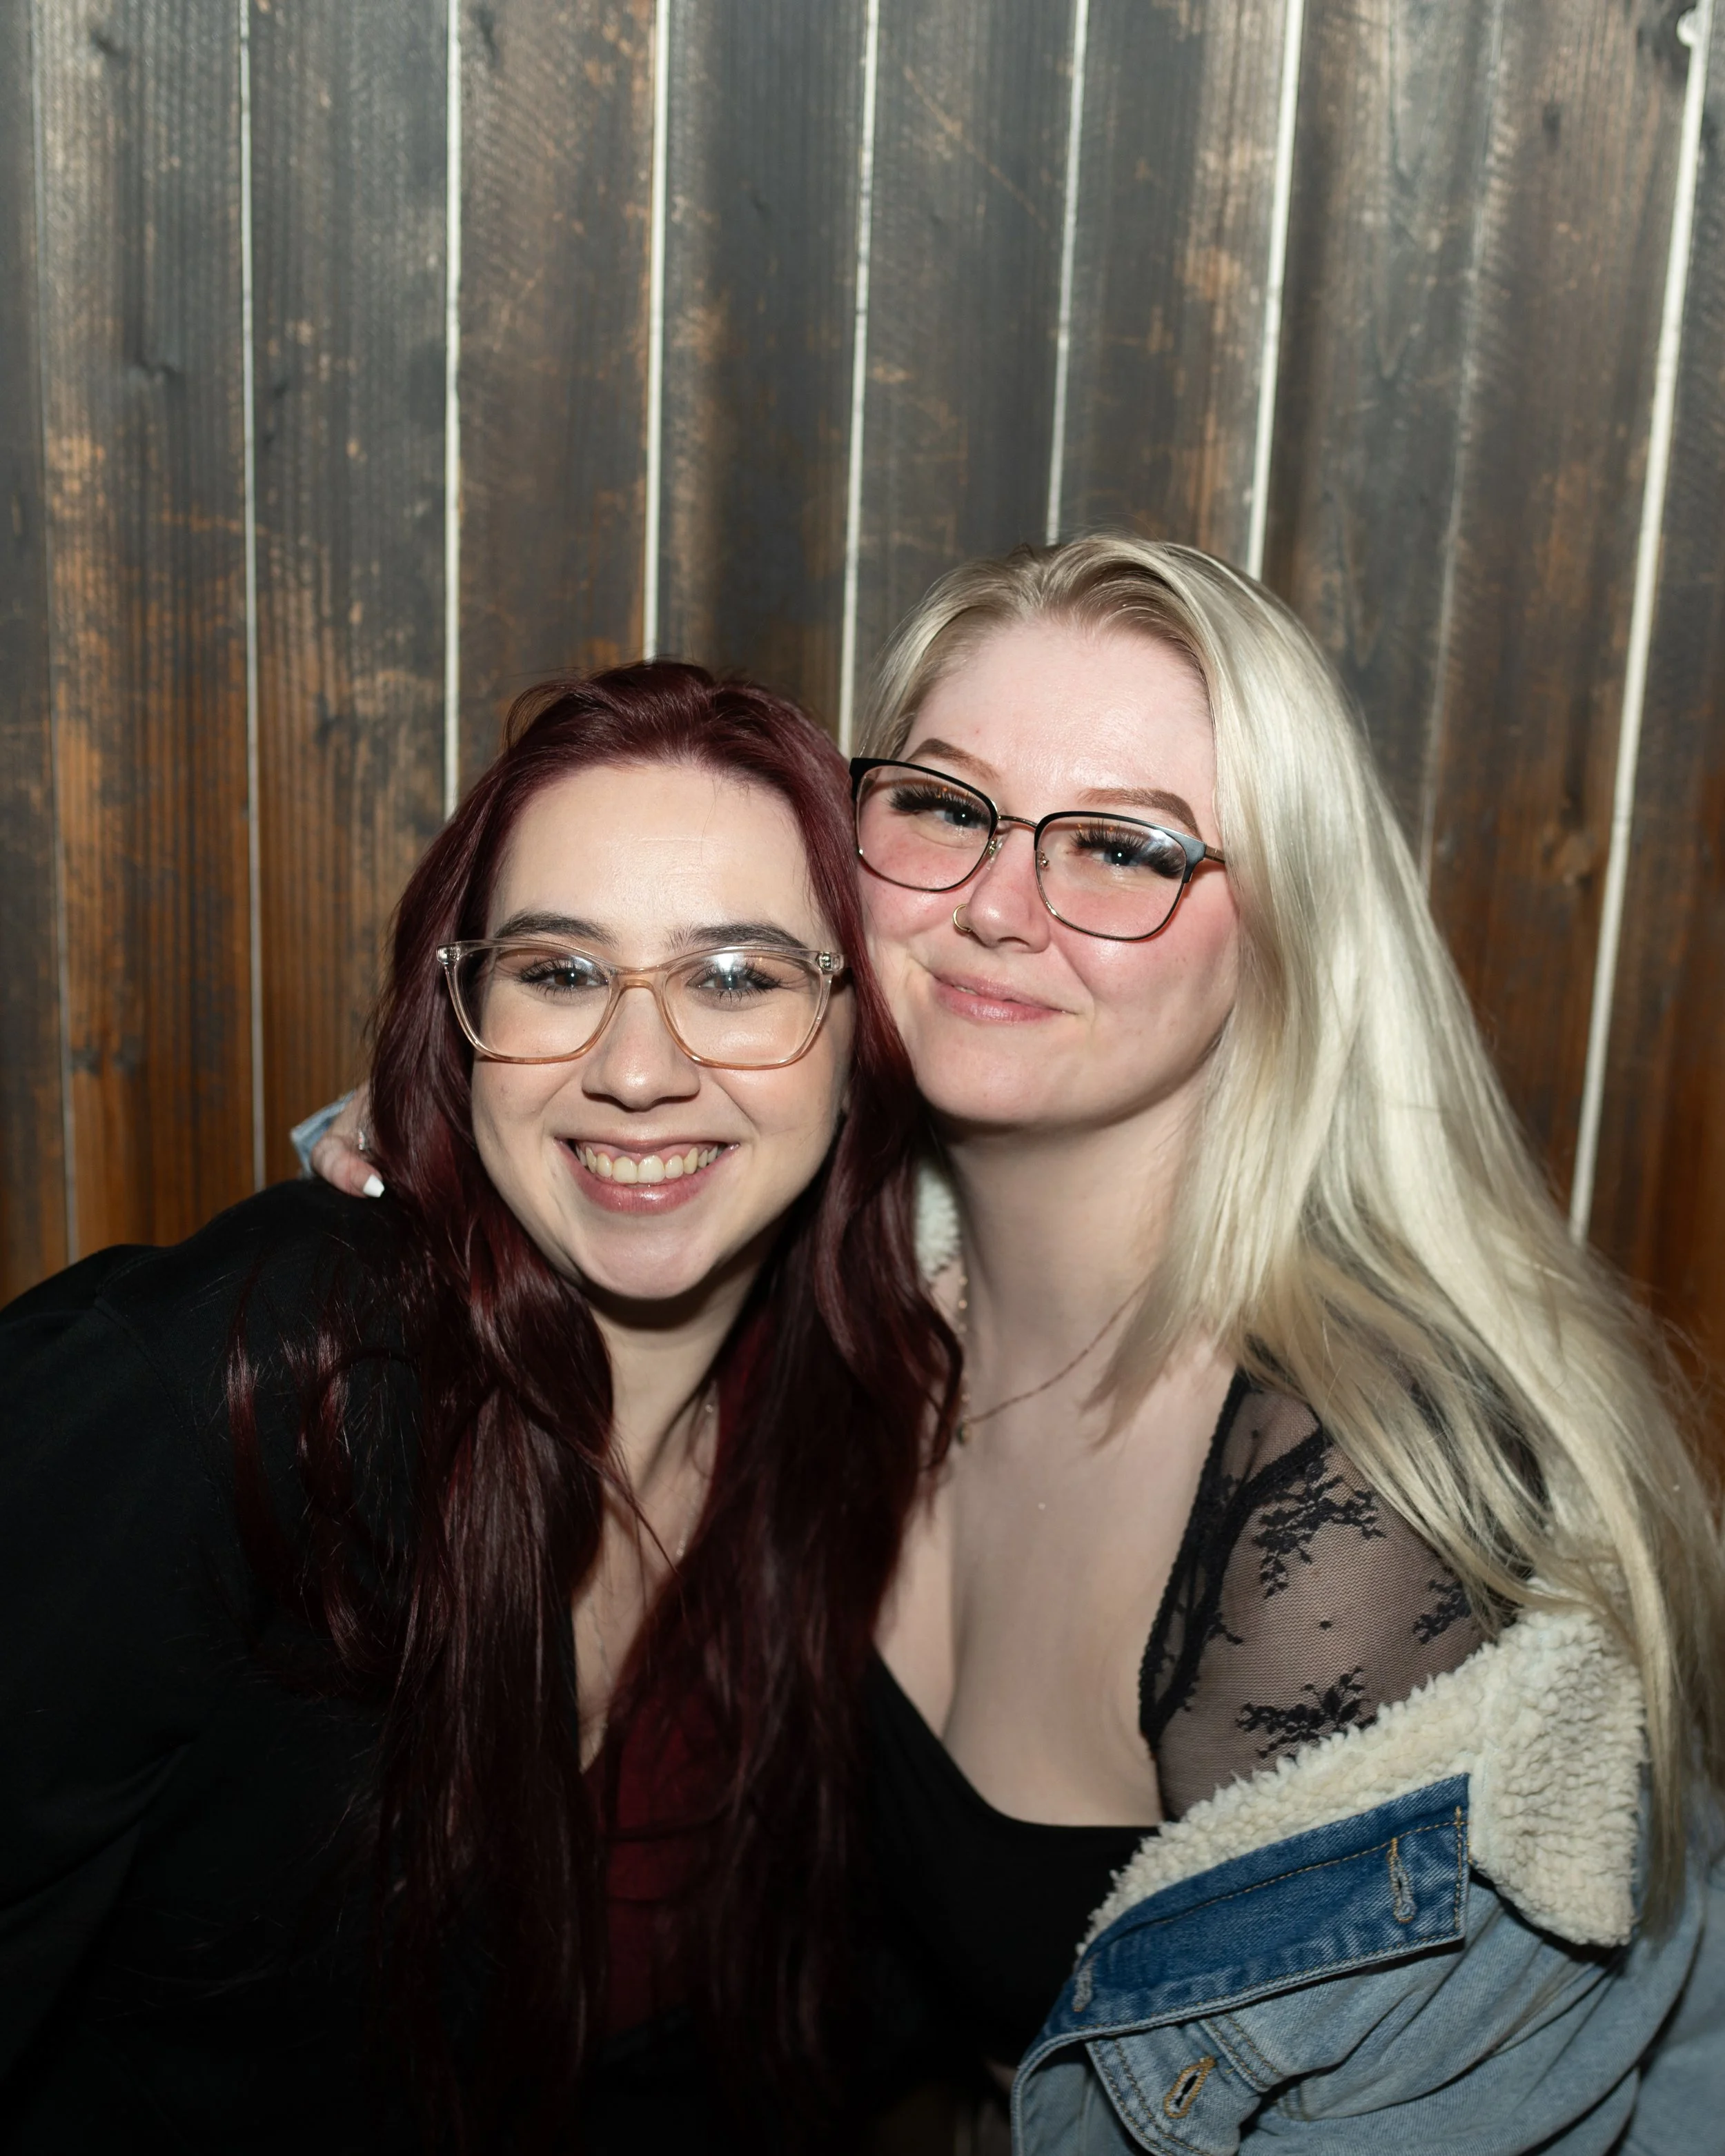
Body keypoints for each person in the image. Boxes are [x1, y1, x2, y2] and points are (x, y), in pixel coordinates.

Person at [312, 539, 1725, 2150]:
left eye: (1122, 847)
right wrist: (440, 1130)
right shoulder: (848, 1272)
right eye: (944, 805)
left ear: (1285, 934)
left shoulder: (1367, 1516)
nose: (995, 904)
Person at [0, 664, 951, 2154]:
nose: (636, 1068)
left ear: (862, 1038)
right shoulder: (239, 1387)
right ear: (464, 1010)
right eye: (559, 972)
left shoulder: (840, 1427)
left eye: (735, 975)